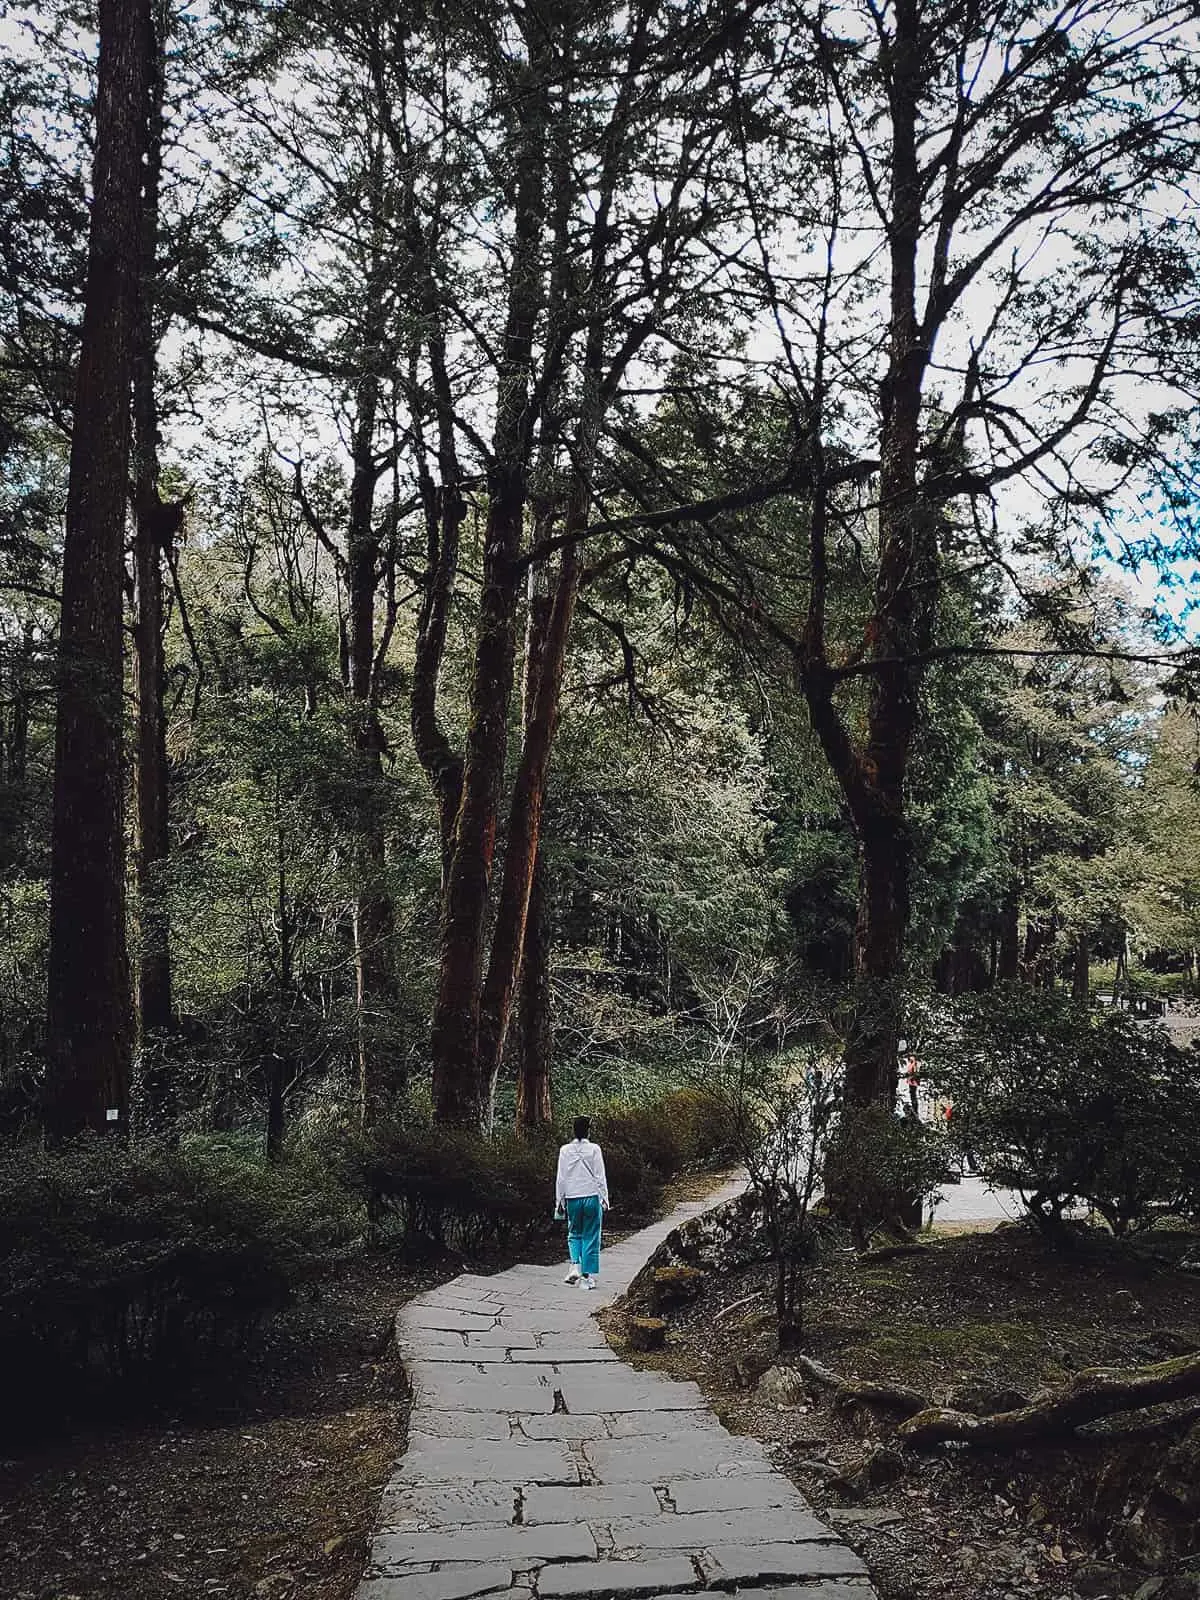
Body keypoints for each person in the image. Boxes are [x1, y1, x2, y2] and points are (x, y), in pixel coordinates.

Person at [554, 1116, 609, 1289]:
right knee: (591, 1236)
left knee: (574, 1233)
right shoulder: (594, 1149)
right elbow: (600, 1176)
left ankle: (574, 1265)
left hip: (572, 1196)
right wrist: (605, 1198)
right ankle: (586, 1278)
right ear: (588, 1130)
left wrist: (559, 1200)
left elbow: (561, 1178)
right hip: (591, 1195)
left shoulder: (565, 1150)